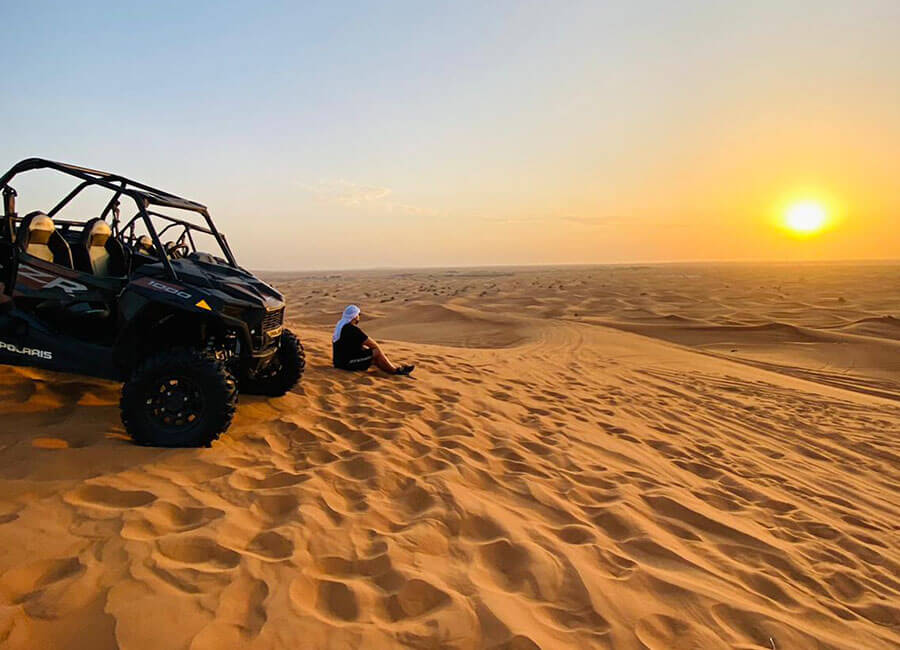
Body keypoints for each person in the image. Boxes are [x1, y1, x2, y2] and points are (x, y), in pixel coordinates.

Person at [332, 305, 414, 375]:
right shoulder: (352, 330)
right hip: (346, 364)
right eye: (358, 315)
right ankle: (395, 371)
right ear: (355, 316)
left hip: (339, 363)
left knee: (371, 356)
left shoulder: (340, 326)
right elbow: (373, 345)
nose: (359, 317)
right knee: (376, 352)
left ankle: (391, 370)